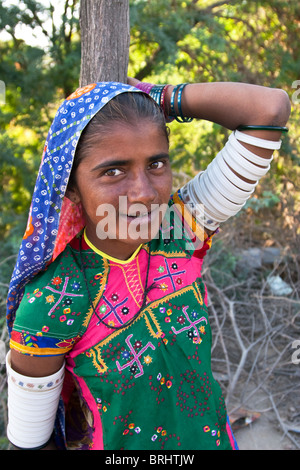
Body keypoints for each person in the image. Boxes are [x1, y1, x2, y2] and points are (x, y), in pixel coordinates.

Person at [5, 79, 290, 450]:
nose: (143, 191)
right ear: (70, 187)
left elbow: (269, 109)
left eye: (156, 163)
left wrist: (158, 99)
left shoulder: (180, 231)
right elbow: (30, 443)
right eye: (113, 171)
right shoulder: (52, 301)